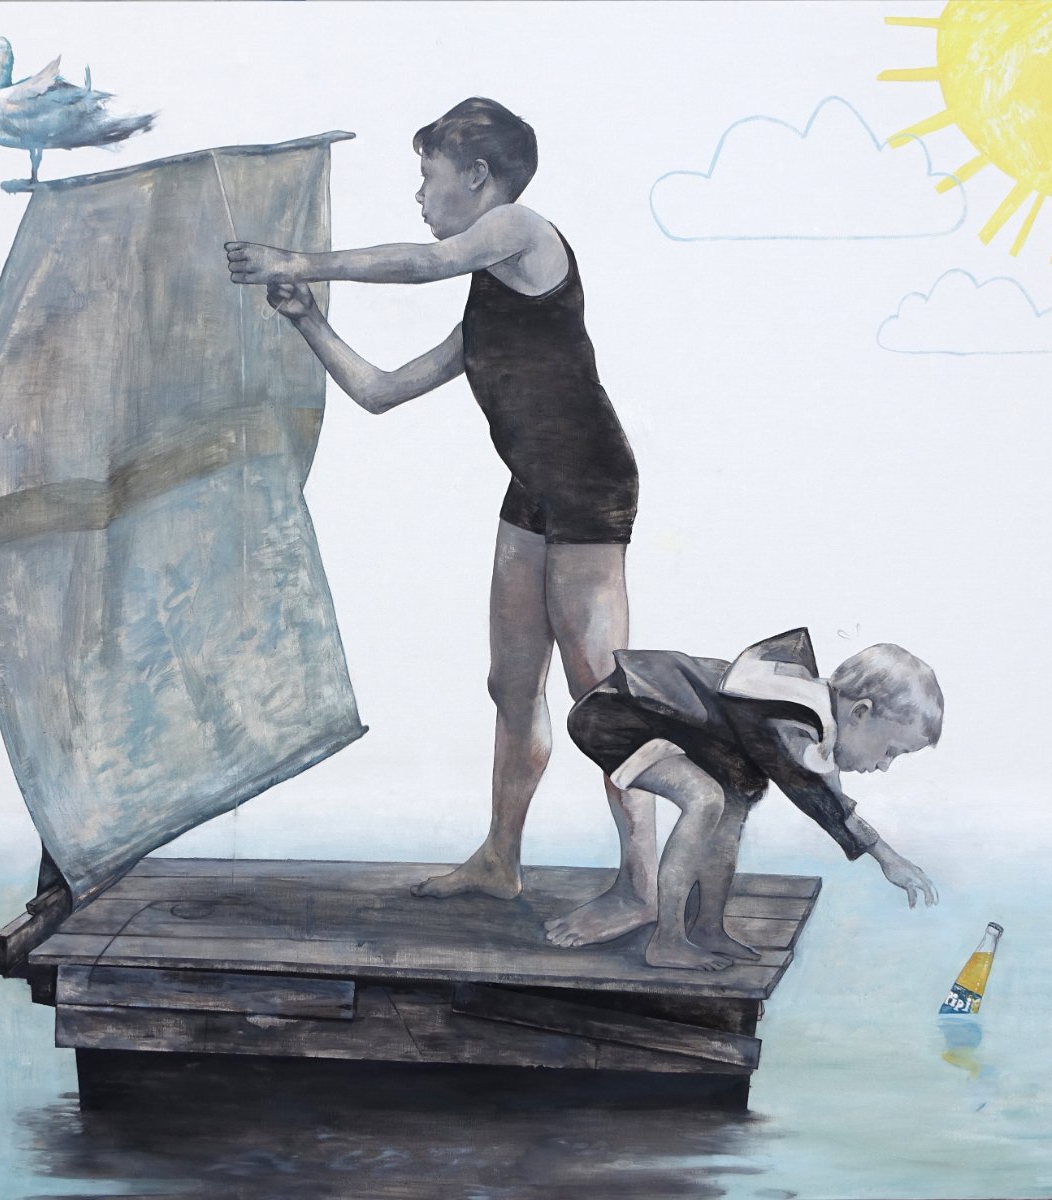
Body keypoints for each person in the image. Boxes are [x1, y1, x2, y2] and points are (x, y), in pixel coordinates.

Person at [225, 98, 646, 903]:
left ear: (479, 176)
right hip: (533, 489)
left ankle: (641, 885)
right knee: (511, 686)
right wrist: (308, 319)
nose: (420, 196)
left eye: (429, 177)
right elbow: (381, 391)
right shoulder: (492, 297)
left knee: (603, 698)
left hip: (590, 485)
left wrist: (297, 260)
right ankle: (499, 860)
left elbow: (424, 263)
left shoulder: (523, 230)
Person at [553, 627, 942, 969]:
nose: (884, 766)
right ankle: (667, 940)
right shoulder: (793, 722)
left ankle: (708, 928)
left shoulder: (808, 712)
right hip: (618, 716)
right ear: (860, 712)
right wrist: (887, 857)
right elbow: (824, 801)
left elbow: (825, 786)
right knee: (705, 799)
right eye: (891, 750)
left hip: (665, 722)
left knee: (733, 805)